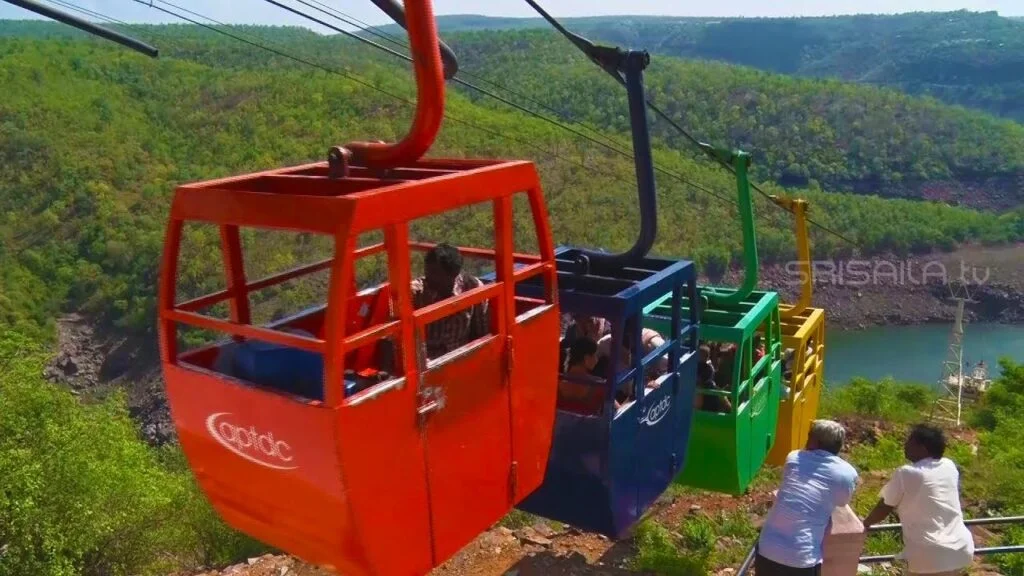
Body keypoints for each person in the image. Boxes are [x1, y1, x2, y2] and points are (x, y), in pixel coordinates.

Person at [862, 424, 975, 576]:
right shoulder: (949, 466)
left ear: (923, 448)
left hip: (930, 553)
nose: (905, 445)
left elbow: (885, 506)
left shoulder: (907, 473)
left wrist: (864, 524)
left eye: (910, 442)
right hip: (959, 548)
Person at [756, 420, 859, 576]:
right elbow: (842, 501)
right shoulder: (847, 473)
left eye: (809, 435)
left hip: (767, 548)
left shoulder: (794, 457)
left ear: (815, 441)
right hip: (801, 557)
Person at [410, 243, 489, 359]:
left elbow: (481, 333)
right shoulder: (418, 292)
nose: (428, 277)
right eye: (427, 272)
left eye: (434, 273)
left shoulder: (472, 287)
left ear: (453, 274)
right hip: (427, 359)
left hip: (460, 356)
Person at [557, 336, 605, 414]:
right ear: (586, 358)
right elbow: (617, 411)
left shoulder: (557, 382)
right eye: (595, 355)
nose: (597, 359)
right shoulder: (599, 385)